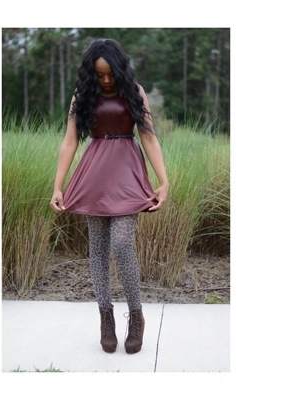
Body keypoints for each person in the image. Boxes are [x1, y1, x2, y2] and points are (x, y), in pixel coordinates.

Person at [50, 38, 169, 354]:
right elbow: (69, 142)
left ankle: (136, 316)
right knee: (99, 249)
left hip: (127, 174)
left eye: (110, 74)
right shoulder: (82, 96)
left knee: (121, 243)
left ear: (119, 69)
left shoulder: (134, 91)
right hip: (94, 176)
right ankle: (106, 318)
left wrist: (164, 181)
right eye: (99, 74)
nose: (105, 80)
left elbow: (148, 137)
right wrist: (58, 187)